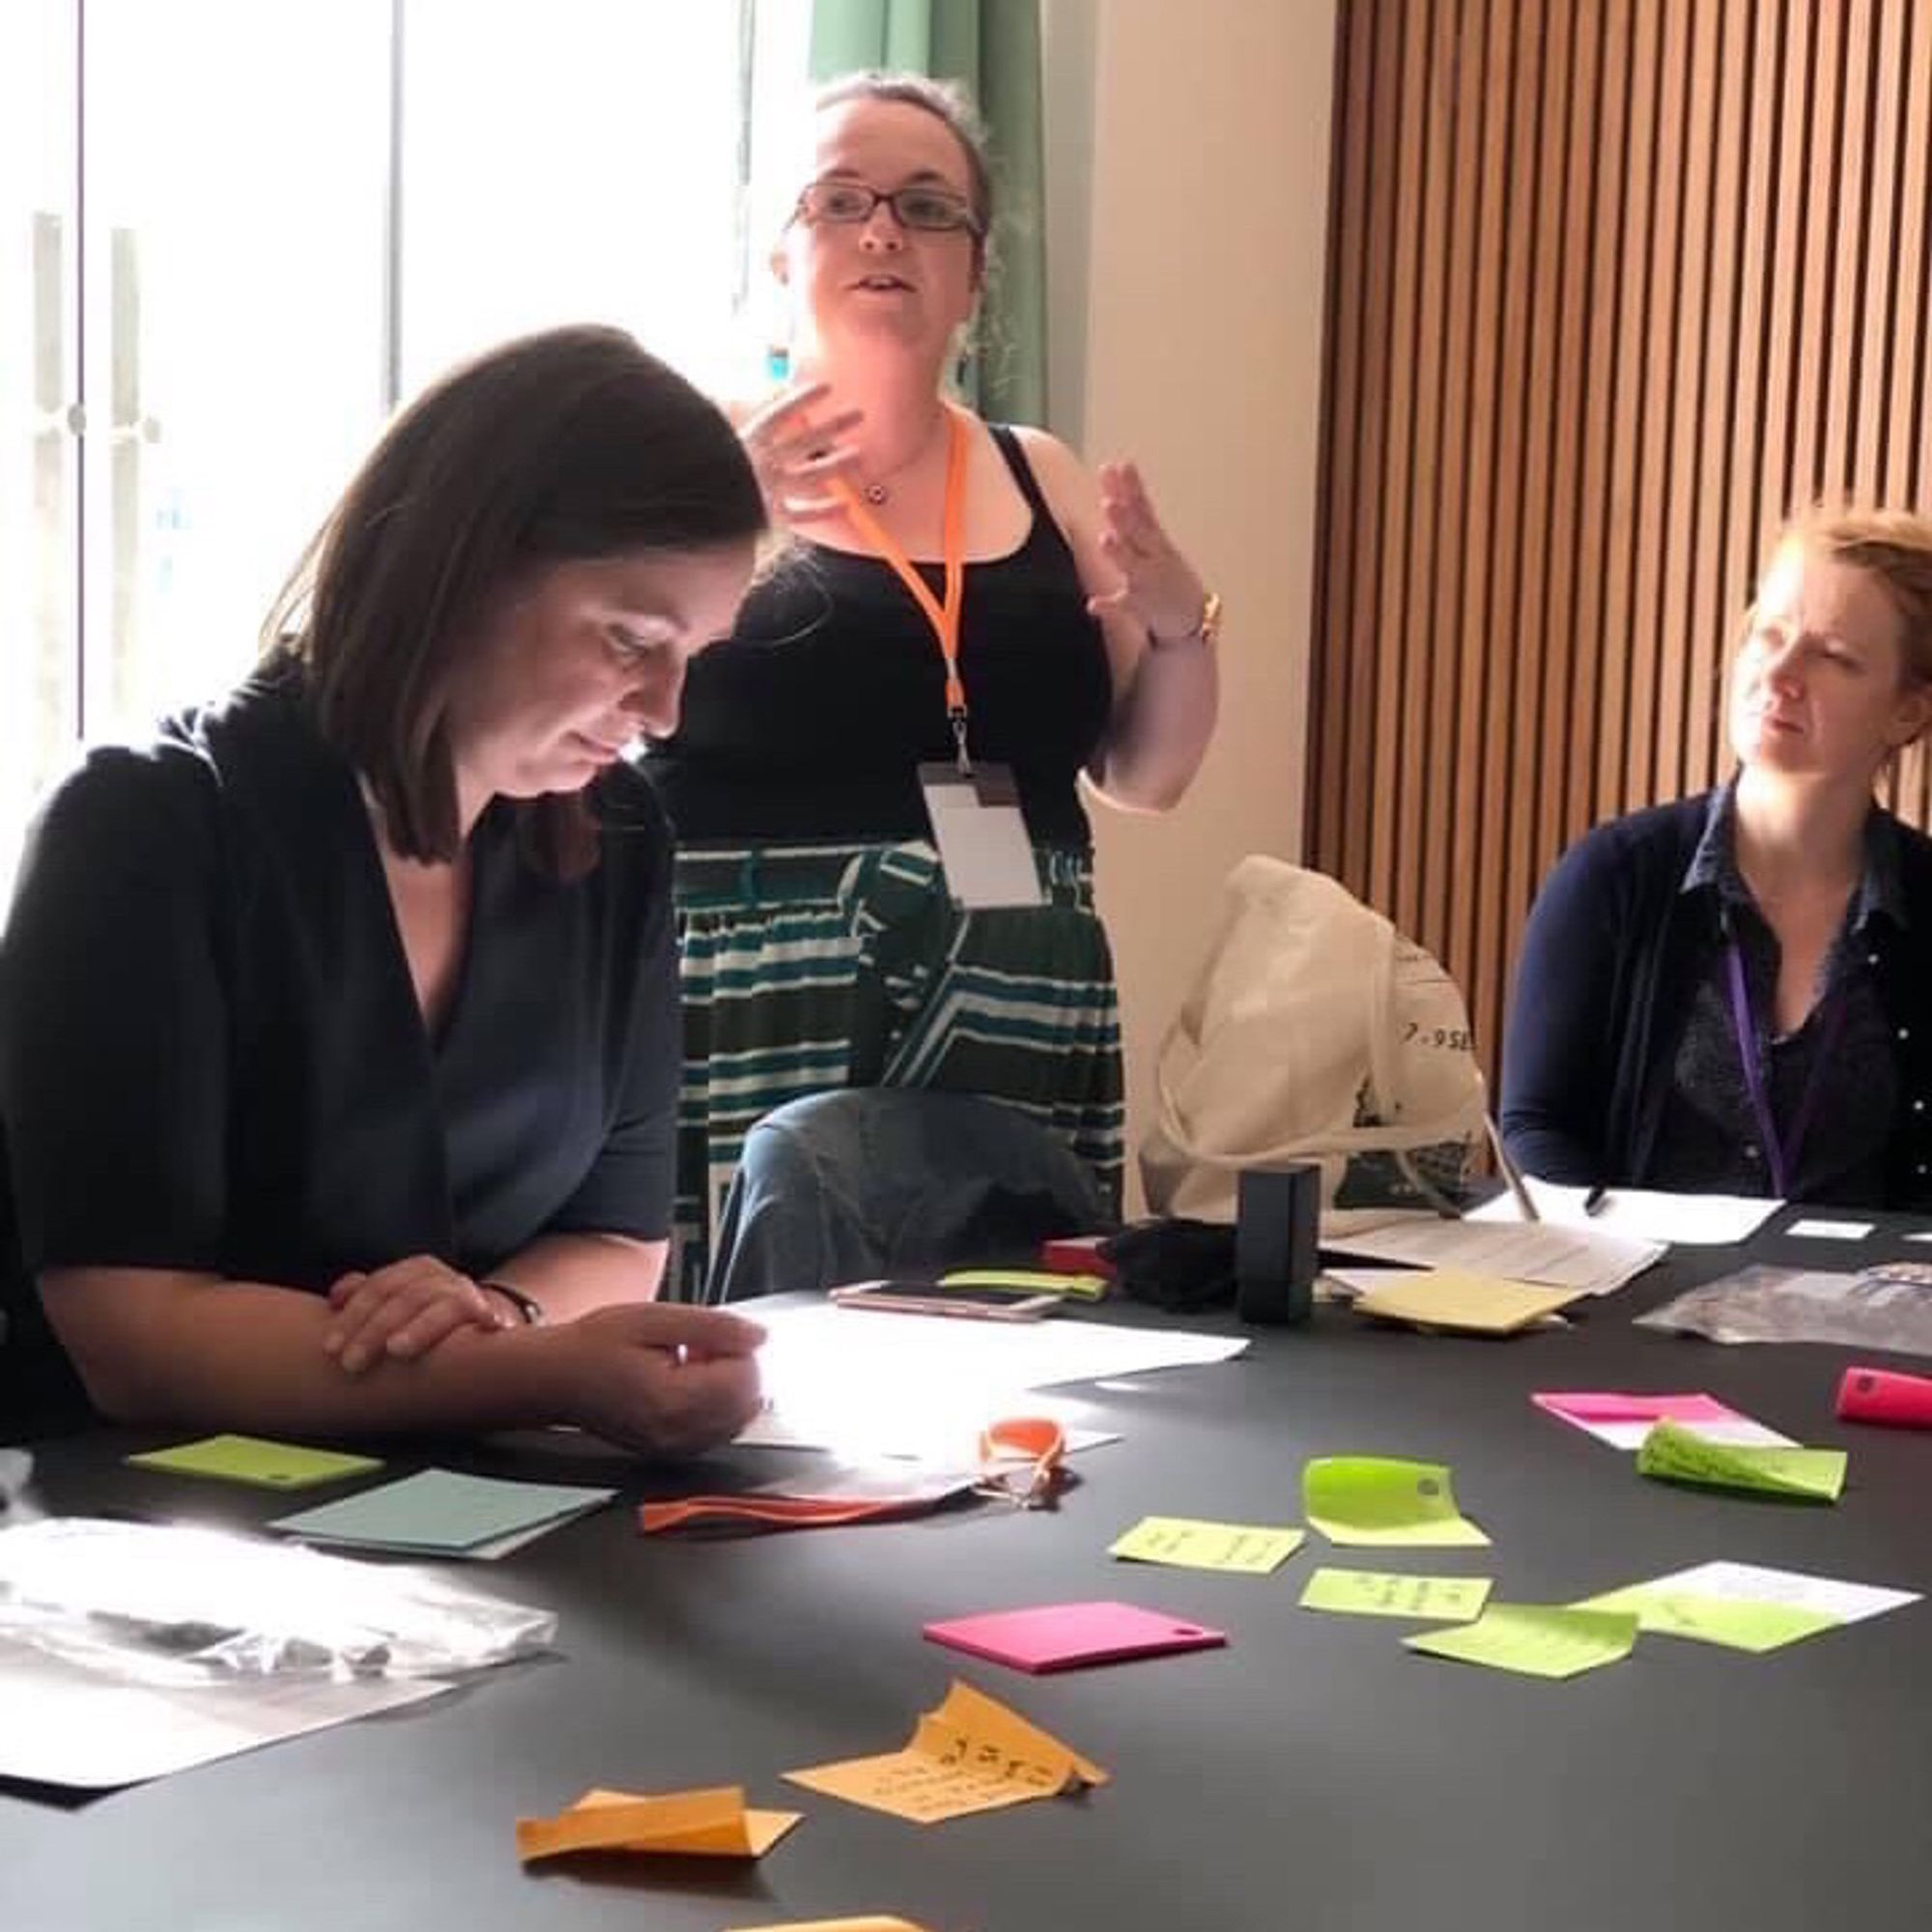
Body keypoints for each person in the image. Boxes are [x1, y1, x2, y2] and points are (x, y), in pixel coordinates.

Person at [0, 325, 771, 1448]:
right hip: (136, 1518)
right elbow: (129, 1331)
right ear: (460, 571)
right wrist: (519, 1370)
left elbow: (614, 1236)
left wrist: (501, 1319)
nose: (662, 711)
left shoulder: (617, 837)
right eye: (627, 639)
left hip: (462, 1501)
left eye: (691, 655)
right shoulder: (144, 825)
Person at [643, 72, 1221, 1294]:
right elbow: (594, 699)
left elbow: (1146, 775)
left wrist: (1179, 628)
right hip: (756, 986)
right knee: (758, 1365)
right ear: (778, 254)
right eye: (839, 199)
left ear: (974, 274)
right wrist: (714, 519)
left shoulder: (1042, 473)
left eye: (924, 206)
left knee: (1015, 1367)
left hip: (1016, 996)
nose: (881, 231)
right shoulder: (690, 453)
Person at [1500, 506, 1932, 1209]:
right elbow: (1536, 1126)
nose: (1782, 674)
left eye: (1834, 657)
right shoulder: (1614, 877)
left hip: (1870, 1314)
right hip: (1631, 1302)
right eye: (1770, 634)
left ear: (1907, 713)